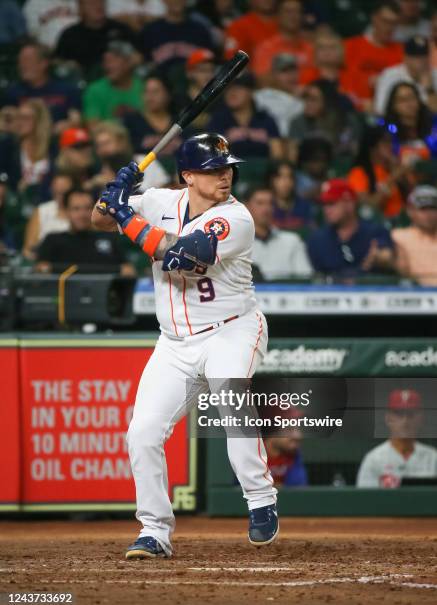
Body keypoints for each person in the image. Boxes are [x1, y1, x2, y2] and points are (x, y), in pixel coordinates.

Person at [92, 132, 279, 557]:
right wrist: (112, 198)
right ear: (188, 176)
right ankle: (154, 531)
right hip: (174, 343)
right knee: (142, 432)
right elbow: (98, 221)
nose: (225, 177)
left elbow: (178, 256)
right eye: (214, 170)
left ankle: (260, 497)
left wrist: (124, 214)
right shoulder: (160, 201)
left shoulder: (237, 218)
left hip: (232, 329)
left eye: (228, 168)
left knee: (232, 398)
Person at [307, 178, 395, 279]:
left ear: (350, 204)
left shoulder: (374, 232)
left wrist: (380, 257)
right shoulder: (317, 239)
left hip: (369, 292)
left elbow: (386, 255)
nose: (326, 209)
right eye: (324, 204)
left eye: (331, 203)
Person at [37, 187, 135, 276]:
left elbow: (128, 270)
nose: (82, 214)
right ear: (66, 211)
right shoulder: (52, 240)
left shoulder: (109, 238)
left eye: (87, 208)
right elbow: (40, 269)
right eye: (76, 209)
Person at [357, 389, 437, 488]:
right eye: (399, 414)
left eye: (410, 414)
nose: (405, 420)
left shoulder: (433, 458)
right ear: (388, 418)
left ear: (420, 418)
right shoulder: (374, 459)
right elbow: (364, 501)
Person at [3, 42, 82, 128]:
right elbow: (6, 121)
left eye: (27, 60)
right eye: (20, 61)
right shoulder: (13, 93)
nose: (22, 65)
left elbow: (76, 119)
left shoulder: (68, 91)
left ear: (43, 64)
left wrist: (67, 124)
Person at [207, 72, 283, 159]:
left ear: (251, 92)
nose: (232, 92)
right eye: (228, 88)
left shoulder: (265, 119)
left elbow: (277, 155)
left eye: (238, 88)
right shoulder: (218, 119)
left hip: (262, 170)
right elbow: (211, 155)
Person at [56, 0, 138, 78]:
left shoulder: (121, 29)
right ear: (81, 8)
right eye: (92, 3)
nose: (98, 6)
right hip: (81, 82)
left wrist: (128, 63)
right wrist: (68, 65)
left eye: (101, 1)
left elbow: (138, 55)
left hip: (118, 81)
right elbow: (56, 61)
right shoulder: (70, 34)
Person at [245, 186, 312, 280]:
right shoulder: (236, 243)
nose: (266, 209)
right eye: (260, 203)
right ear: (246, 207)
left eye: (270, 203)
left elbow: (305, 279)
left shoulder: (292, 241)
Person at [88, 121, 170, 194]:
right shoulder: (96, 172)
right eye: (99, 145)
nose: (103, 149)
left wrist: (116, 184)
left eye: (106, 143)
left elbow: (165, 190)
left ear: (121, 142)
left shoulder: (144, 161)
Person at [288, 81, 361, 163]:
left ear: (327, 102)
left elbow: (357, 151)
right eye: (306, 98)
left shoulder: (348, 120)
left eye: (313, 99)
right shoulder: (298, 123)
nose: (308, 103)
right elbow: (293, 157)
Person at [299, 31, 372, 112]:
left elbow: (367, 105)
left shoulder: (355, 77)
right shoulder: (305, 75)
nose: (327, 52)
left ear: (341, 51)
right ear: (315, 52)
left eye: (332, 47)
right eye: (322, 48)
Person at [139, 0, 215, 77]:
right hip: (162, 84)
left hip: (195, 84)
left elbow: (210, 63)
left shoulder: (200, 30)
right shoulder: (150, 31)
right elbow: (144, 65)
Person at [344, 1, 403, 96]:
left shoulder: (402, 51)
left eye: (394, 23)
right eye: (385, 21)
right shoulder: (351, 45)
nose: (389, 27)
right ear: (374, 19)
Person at [348, 125, 406, 219]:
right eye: (385, 142)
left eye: (390, 142)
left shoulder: (392, 169)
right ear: (372, 147)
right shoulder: (358, 173)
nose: (390, 146)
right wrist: (394, 177)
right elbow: (368, 208)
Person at [83, 41, 143, 125]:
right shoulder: (95, 90)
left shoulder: (143, 86)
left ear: (128, 62)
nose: (108, 66)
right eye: (105, 62)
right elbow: (93, 125)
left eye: (113, 61)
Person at [252, 0, 313, 82]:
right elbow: (261, 78)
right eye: (288, 12)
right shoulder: (266, 48)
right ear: (278, 16)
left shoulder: (310, 48)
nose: (293, 16)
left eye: (297, 12)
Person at [375, 36, 437, 115]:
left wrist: (429, 90)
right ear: (405, 58)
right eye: (416, 57)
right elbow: (380, 109)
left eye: (424, 56)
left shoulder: (435, 75)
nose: (422, 61)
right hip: (397, 124)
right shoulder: (390, 75)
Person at [123, 74, 182, 156]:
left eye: (155, 91)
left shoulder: (180, 121)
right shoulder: (130, 122)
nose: (150, 97)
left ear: (168, 94)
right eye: (146, 91)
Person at [392, 185, 437, 286]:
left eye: (433, 208)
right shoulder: (398, 236)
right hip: (416, 293)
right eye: (423, 209)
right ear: (410, 211)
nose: (428, 214)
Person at [22, 171, 73, 260]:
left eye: (64, 192)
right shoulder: (42, 211)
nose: (61, 196)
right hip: (46, 263)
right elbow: (28, 249)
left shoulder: (82, 211)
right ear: (52, 190)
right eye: (57, 191)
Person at [383, 81, 437, 165]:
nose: (409, 103)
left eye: (412, 98)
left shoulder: (434, 124)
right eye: (402, 100)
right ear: (393, 105)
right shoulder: (387, 129)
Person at [253, 53, 304, 139]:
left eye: (293, 71)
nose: (291, 76)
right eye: (284, 71)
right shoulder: (261, 97)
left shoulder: (303, 101)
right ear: (273, 74)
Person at [15, 99, 53, 205]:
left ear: (39, 121)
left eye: (26, 118)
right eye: (18, 117)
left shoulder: (52, 147)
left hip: (47, 202)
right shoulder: (10, 148)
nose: (20, 122)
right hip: (19, 205)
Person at [267, 160, 315, 230]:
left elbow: (311, 230)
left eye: (290, 177)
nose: (286, 182)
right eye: (280, 177)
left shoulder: (304, 205)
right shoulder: (266, 205)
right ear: (271, 180)